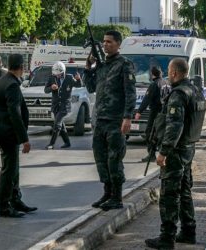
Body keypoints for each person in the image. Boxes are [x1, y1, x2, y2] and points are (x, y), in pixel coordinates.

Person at [145, 58, 206, 249]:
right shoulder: (195, 90)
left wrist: (163, 152)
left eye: (169, 70)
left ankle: (167, 238)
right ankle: (189, 231)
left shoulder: (178, 94)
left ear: (174, 73)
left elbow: (174, 126)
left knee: (170, 195)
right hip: (189, 148)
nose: (168, 73)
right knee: (185, 191)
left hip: (176, 151)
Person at [83, 30, 137, 211]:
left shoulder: (125, 65)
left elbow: (130, 93)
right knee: (100, 158)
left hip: (115, 120)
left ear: (118, 44)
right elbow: (90, 87)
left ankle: (117, 197)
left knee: (114, 160)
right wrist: (88, 68)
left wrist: (127, 117)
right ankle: (107, 192)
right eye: (104, 42)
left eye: (109, 42)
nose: (105, 45)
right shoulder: (102, 65)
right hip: (100, 120)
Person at [0, 54, 37, 218]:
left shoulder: (5, 80)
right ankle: (4, 206)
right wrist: (24, 139)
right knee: (9, 169)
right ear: (22, 67)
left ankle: (15, 199)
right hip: (4, 129)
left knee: (14, 167)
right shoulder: (11, 84)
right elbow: (15, 113)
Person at [44, 61, 81, 149]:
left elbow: (79, 85)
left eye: (59, 74)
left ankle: (51, 144)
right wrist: (51, 88)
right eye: (56, 74)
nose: (57, 76)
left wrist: (79, 79)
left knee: (57, 125)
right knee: (61, 125)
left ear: (63, 72)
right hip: (56, 105)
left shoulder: (69, 77)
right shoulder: (51, 78)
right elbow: (46, 90)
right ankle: (67, 143)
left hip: (65, 106)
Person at [135, 66, 169, 162]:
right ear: (161, 73)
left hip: (155, 112)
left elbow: (146, 99)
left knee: (149, 133)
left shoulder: (154, 84)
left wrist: (139, 111)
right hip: (164, 112)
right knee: (161, 133)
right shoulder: (166, 83)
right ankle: (163, 154)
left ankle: (151, 154)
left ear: (152, 74)